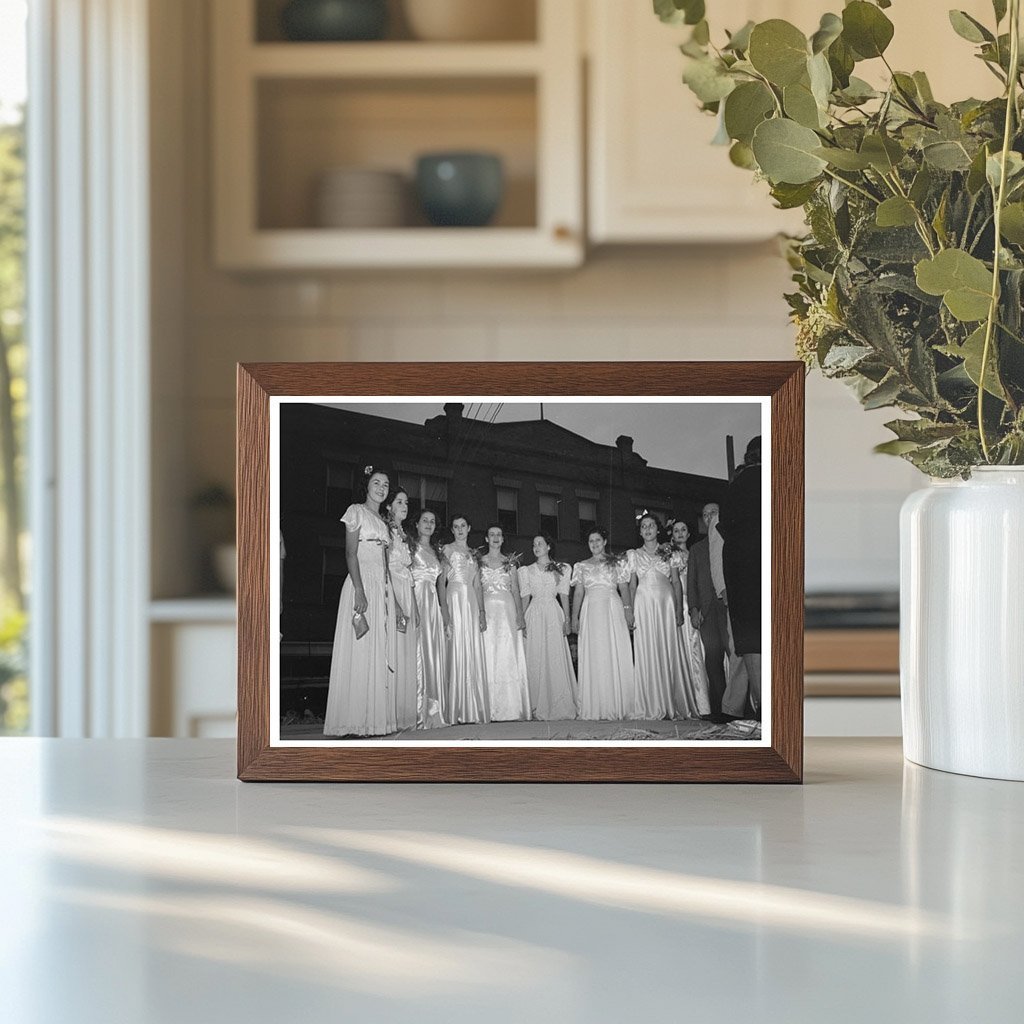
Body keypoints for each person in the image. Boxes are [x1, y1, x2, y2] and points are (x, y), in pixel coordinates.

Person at [324, 464, 395, 737]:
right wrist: (359, 589)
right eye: (376, 482)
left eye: (385, 485)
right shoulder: (356, 511)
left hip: (379, 587)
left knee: (375, 649)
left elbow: (385, 563)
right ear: (367, 486)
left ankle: (371, 720)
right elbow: (350, 553)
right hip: (361, 583)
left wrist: (388, 596)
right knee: (360, 648)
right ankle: (352, 721)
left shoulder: (384, 523)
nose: (381, 488)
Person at [628, 513, 703, 720]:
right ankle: (651, 703)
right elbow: (632, 585)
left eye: (651, 525)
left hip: (666, 604)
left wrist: (679, 610)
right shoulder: (633, 555)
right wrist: (631, 612)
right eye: (643, 526)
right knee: (647, 649)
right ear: (640, 531)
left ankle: (673, 700)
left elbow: (676, 582)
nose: (647, 529)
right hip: (643, 604)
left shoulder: (670, 551)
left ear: (658, 529)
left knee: (669, 648)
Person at [570, 528, 635, 721]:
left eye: (598, 540)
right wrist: (574, 617)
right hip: (590, 610)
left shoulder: (617, 562)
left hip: (612, 608)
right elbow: (579, 592)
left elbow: (624, 588)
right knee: (595, 653)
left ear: (605, 541)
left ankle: (617, 703)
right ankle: (596, 704)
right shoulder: (581, 566)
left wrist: (628, 610)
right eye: (591, 541)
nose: (594, 544)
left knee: (613, 650)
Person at [719, 436, 762, 719]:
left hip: (739, 569)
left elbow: (725, 527)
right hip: (763, 559)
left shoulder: (734, 487)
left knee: (750, 639)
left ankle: (764, 707)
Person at [519, 535, 578, 720]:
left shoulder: (561, 568)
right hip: (534, 614)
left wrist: (567, 619)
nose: (536, 547)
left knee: (554, 655)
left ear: (548, 547)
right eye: (534, 544)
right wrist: (522, 620)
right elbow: (525, 597)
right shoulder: (526, 571)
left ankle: (557, 702)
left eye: (540, 544)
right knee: (535, 654)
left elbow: (564, 595)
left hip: (553, 613)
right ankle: (534, 704)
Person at [439, 515, 490, 724]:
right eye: (456, 526)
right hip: (454, 598)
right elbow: (441, 581)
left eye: (463, 526)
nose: (460, 529)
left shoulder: (475, 554)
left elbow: (477, 585)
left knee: (471, 647)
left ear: (469, 528)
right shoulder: (447, 550)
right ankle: (455, 708)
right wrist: (444, 609)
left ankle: (473, 708)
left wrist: (482, 612)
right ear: (452, 530)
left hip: (470, 601)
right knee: (455, 646)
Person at [479, 525, 531, 722]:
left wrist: (520, 614)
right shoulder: (479, 561)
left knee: (507, 652)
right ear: (486, 539)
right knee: (487, 652)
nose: (495, 537)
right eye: (491, 534)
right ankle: (488, 706)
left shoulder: (510, 562)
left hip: (507, 610)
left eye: (499, 535)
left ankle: (511, 707)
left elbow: (515, 589)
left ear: (502, 539)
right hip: (487, 610)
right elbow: (476, 587)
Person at [687, 502, 730, 721]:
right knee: (713, 658)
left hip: (728, 607)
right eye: (705, 515)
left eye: (713, 512)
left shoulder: (729, 541)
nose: (709, 517)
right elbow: (691, 582)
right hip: (707, 611)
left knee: (736, 657)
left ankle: (743, 708)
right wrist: (694, 610)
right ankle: (720, 709)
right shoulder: (697, 549)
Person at [668, 519, 712, 720]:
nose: (679, 533)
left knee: (700, 651)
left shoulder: (696, 553)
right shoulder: (668, 555)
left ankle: (706, 700)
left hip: (696, 604)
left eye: (683, 530)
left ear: (688, 533)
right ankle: (691, 701)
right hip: (679, 604)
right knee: (687, 651)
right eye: (676, 530)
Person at [410, 509, 448, 729]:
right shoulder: (410, 547)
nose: (428, 524)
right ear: (416, 524)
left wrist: (444, 612)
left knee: (432, 654)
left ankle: (432, 709)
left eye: (432, 521)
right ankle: (415, 710)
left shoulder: (437, 552)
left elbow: (441, 586)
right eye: (424, 520)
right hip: (415, 599)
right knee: (417, 652)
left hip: (432, 605)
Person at [384, 488, 417, 731]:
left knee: (406, 651)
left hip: (407, 590)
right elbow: (384, 566)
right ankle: (388, 714)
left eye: (406, 502)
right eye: (399, 502)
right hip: (392, 588)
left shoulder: (405, 535)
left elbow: (410, 572)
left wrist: (414, 607)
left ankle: (403, 714)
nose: (404, 506)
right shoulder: (385, 531)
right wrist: (394, 601)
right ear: (389, 506)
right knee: (393, 647)